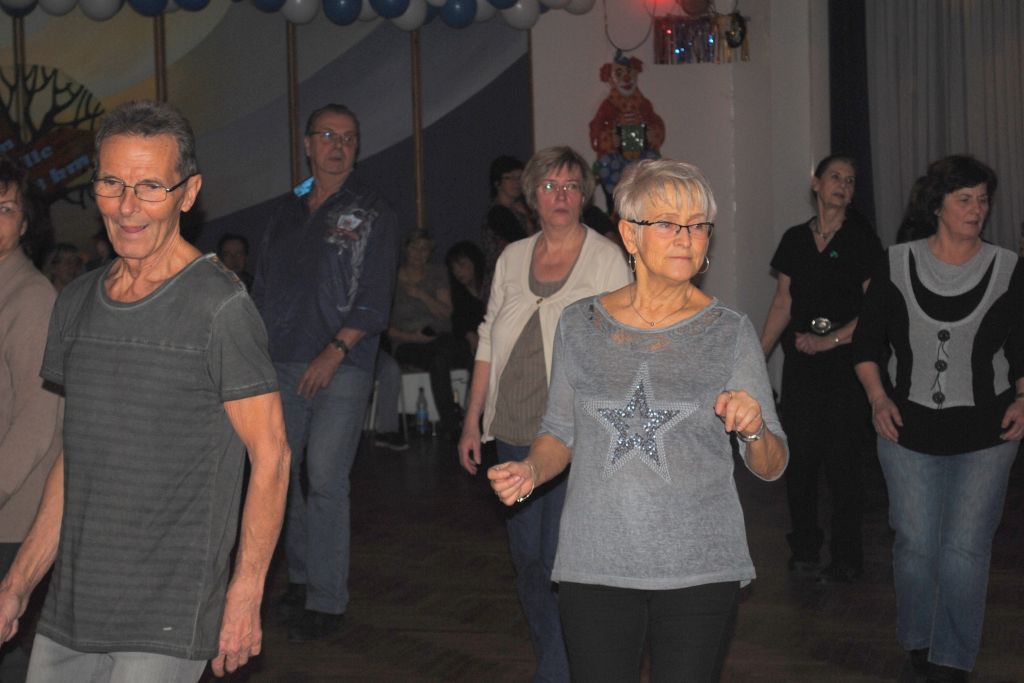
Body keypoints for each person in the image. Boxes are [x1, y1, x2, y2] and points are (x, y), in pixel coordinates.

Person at [0, 100, 290, 682]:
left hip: (167, 614)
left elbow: (272, 455)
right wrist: (18, 584)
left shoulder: (219, 306)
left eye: (151, 187)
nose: (127, 206)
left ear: (188, 193)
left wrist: (245, 592)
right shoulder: (76, 302)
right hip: (71, 609)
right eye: (112, 183)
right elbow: (75, 459)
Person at [488, 159, 787, 682]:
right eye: (668, 223)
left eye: (697, 225)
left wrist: (755, 428)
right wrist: (531, 470)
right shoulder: (580, 324)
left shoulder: (729, 332)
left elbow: (771, 464)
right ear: (629, 234)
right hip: (596, 561)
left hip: (699, 565)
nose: (686, 238)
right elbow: (559, 433)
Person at [459, 146, 632, 682]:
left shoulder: (605, 258)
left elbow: (620, 347)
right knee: (529, 560)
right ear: (532, 196)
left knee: (561, 559)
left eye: (571, 186)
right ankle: (555, 660)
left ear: (584, 196)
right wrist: (472, 419)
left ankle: (558, 672)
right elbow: (489, 338)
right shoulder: (512, 257)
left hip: (570, 434)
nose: (561, 196)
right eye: (550, 186)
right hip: (511, 427)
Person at [852, 155, 1023, 682]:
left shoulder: (1009, 267)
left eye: (983, 200)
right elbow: (866, 344)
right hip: (906, 430)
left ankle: (951, 659)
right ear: (938, 205)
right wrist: (878, 399)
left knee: (965, 548)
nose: (977, 209)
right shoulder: (895, 262)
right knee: (916, 547)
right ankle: (919, 642)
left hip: (988, 433)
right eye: (964, 199)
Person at [253, 103, 399, 642]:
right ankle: (301, 578)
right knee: (281, 476)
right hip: (282, 361)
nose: (339, 146)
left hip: (344, 362)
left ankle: (327, 601)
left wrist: (334, 351)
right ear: (308, 145)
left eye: (349, 137)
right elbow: (263, 288)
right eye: (329, 136)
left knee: (326, 478)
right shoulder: (286, 210)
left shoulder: (373, 211)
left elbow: (376, 298)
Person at [759, 154, 881, 582]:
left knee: (843, 464)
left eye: (850, 180)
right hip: (802, 369)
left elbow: (876, 308)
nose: (842, 185)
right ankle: (805, 548)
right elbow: (783, 303)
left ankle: (846, 558)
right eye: (835, 177)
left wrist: (831, 340)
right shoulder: (795, 239)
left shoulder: (862, 240)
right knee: (800, 461)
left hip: (847, 368)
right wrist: (756, 357)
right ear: (816, 183)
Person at [0, 156, 61, 682]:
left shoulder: (32, 297)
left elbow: (37, 424)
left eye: (5, 209)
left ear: (25, 223)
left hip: (11, 513)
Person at [388, 230, 464, 439]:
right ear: (406, 248)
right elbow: (386, 328)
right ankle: (451, 423)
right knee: (439, 359)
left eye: (425, 249)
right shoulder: (392, 278)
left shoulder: (437, 273)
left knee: (447, 352)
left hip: (439, 338)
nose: (419, 253)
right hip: (407, 342)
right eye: (415, 247)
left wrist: (421, 294)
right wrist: (413, 337)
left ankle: (469, 418)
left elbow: (446, 312)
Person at [482, 155, 532, 295]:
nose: (517, 182)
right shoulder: (498, 213)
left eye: (520, 177)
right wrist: (528, 220)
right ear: (497, 183)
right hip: (504, 283)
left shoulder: (520, 209)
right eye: (510, 178)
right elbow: (526, 245)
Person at [445, 240, 487, 357]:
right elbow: (458, 320)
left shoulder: (491, 284)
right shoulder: (459, 294)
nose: (457, 271)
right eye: (453, 268)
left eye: (461, 265)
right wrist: (469, 334)